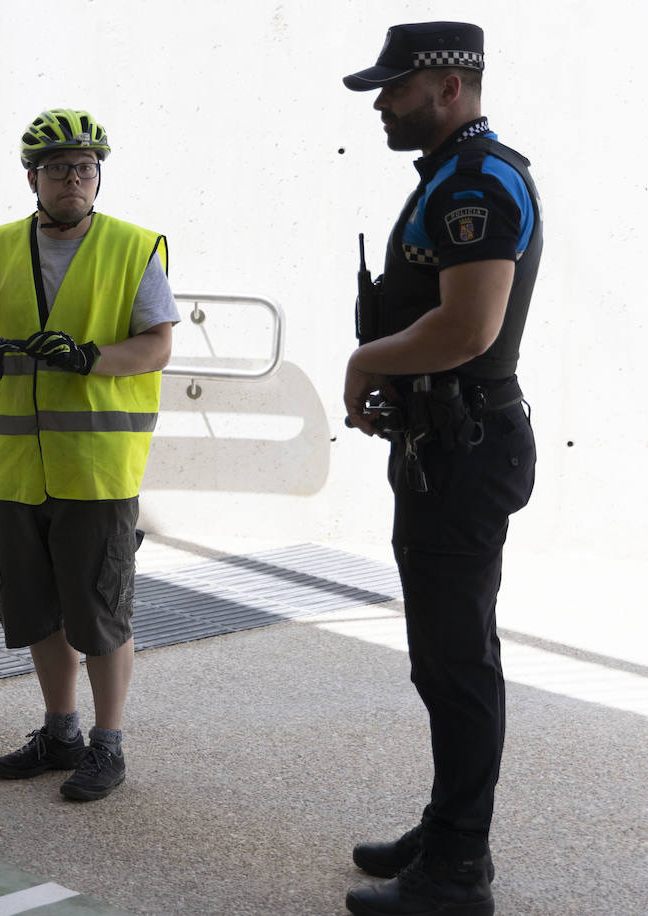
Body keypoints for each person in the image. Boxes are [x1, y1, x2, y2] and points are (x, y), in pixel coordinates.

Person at [0, 108, 178, 802]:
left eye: (85, 168)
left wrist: (91, 358)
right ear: (32, 177)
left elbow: (157, 344)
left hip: (96, 469)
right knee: (35, 610)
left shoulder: (133, 247)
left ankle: (107, 744)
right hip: (14, 468)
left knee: (98, 614)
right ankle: (60, 732)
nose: (74, 179)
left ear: (99, 177)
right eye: (60, 169)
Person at [340, 22, 541, 916]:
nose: (381, 104)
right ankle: (451, 823)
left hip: (464, 449)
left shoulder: (478, 184)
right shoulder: (455, 177)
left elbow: (469, 328)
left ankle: (459, 872)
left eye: (394, 87)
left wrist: (365, 361)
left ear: (448, 86)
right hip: (441, 446)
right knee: (446, 658)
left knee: (456, 664)